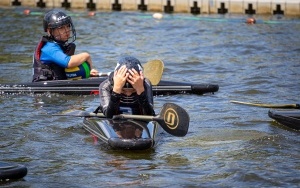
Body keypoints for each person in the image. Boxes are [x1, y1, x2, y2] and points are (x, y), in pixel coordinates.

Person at [32, 10, 98, 82]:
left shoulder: (60, 46)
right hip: (44, 88)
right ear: (49, 31)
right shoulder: (49, 48)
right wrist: (86, 55)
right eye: (61, 28)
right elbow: (68, 63)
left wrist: (88, 71)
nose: (66, 30)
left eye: (67, 26)